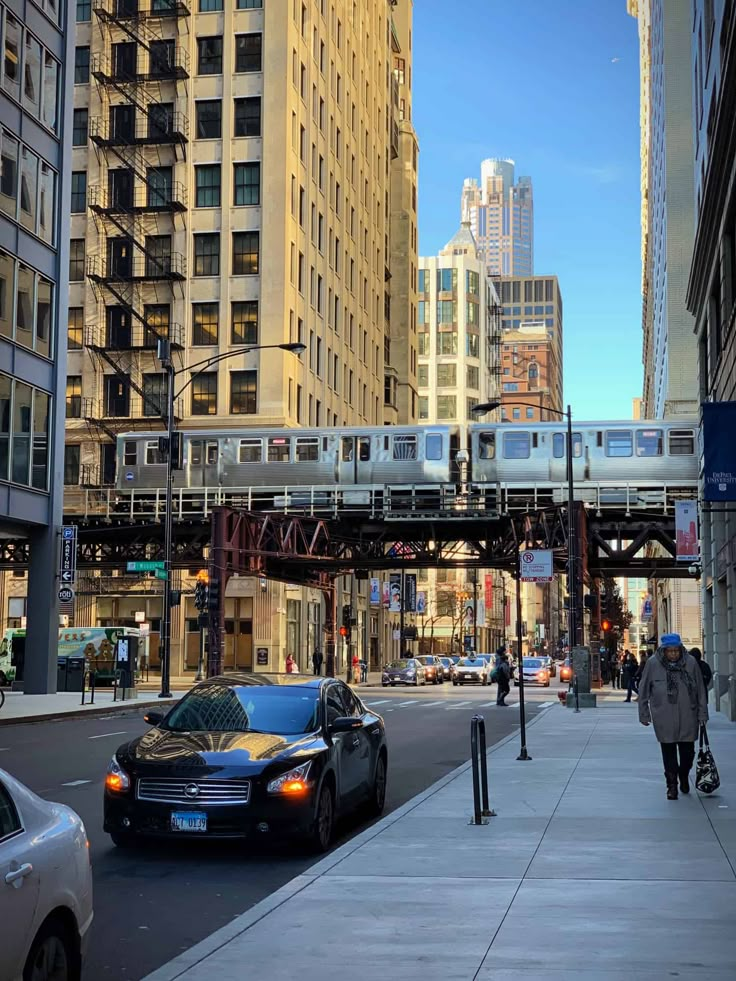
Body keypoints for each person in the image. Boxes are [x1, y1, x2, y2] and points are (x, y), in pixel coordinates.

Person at [638, 633, 708, 799]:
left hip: (688, 715)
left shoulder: (690, 663)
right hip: (664, 716)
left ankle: (683, 774)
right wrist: (644, 714)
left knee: (687, 753)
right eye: (670, 651)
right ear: (664, 650)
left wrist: (702, 712)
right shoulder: (653, 664)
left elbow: (700, 690)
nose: (673, 654)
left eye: (676, 650)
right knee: (668, 751)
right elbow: (643, 690)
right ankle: (672, 785)